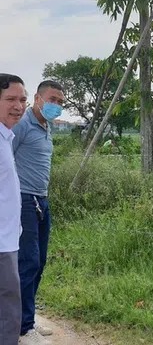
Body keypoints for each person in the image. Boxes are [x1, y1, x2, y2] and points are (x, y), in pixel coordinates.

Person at [12, 80, 65, 345]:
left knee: (40, 261)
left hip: (41, 201)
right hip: (23, 201)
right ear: (38, 98)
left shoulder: (46, 127)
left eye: (61, 102)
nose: (57, 105)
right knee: (28, 261)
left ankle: (27, 318)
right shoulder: (22, 125)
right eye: (53, 99)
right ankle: (22, 328)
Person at [0, 73, 28, 345]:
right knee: (8, 309)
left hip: (9, 237)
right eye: (10, 99)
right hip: (1, 243)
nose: (18, 106)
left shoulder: (6, 138)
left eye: (22, 99)